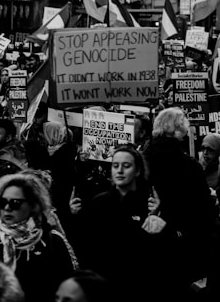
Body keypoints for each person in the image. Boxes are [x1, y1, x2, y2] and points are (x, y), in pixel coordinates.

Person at [78, 144, 169, 302]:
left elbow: (159, 251)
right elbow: (85, 245)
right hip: (103, 287)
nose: (119, 171)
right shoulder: (98, 203)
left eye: (126, 166)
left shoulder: (148, 204)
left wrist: (155, 217)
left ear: (137, 171)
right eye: (115, 165)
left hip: (138, 288)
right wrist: (75, 215)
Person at [148, 107, 215, 298]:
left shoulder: (142, 158)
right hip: (181, 246)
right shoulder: (188, 165)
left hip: (146, 241)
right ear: (178, 130)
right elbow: (203, 210)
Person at [0, 172, 78, 302]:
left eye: (15, 203)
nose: (7, 208)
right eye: (2, 202)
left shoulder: (53, 241)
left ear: (33, 206)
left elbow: (68, 290)